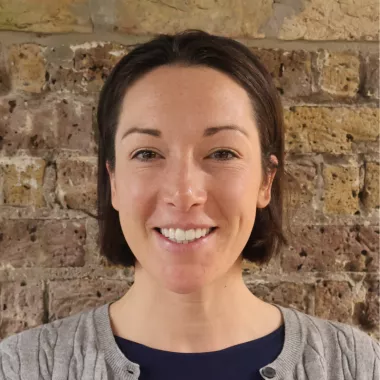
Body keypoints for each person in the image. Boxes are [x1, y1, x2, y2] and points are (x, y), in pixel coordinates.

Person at [0, 29, 378, 380]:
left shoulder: (357, 366)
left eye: (222, 152)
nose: (183, 193)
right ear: (113, 180)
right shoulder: (23, 367)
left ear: (266, 180)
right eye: (147, 153)